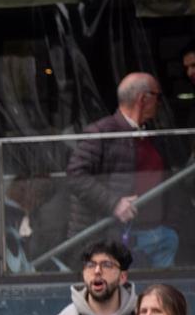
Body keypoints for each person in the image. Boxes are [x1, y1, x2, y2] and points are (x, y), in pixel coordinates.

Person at [67, 72, 178, 268]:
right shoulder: (101, 132)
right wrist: (114, 203)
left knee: (169, 245)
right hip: (113, 235)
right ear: (143, 99)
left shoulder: (149, 132)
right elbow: (76, 176)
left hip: (152, 231)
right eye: (158, 97)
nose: (160, 103)